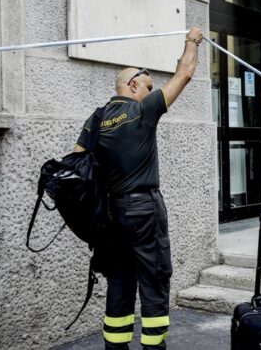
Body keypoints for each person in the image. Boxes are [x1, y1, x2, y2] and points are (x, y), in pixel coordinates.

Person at [73, 27, 202, 350]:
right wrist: (192, 41)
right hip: (144, 209)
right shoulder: (141, 111)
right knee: (154, 280)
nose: (150, 90)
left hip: (112, 215)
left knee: (119, 283)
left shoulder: (97, 118)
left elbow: (77, 162)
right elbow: (185, 73)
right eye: (147, 86)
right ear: (132, 86)